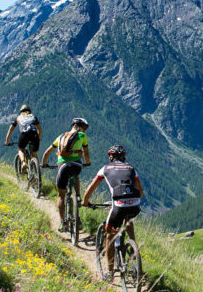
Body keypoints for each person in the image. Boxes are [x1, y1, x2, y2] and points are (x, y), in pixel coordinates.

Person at [82, 144, 143, 279]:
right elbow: (140, 191)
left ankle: (110, 272)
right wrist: (132, 201)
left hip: (118, 205)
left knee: (110, 235)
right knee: (128, 220)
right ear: (124, 157)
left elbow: (91, 188)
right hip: (135, 204)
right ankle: (134, 251)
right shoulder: (132, 168)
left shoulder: (105, 169)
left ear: (111, 157)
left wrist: (85, 202)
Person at [41, 117, 91, 232]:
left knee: (61, 195)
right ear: (79, 127)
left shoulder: (61, 137)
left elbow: (47, 152)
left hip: (62, 167)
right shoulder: (82, 136)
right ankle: (78, 196)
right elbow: (86, 152)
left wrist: (44, 164)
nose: (84, 131)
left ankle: (63, 222)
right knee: (75, 175)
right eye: (84, 128)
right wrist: (87, 162)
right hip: (76, 165)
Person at [4, 104, 42, 173]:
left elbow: (10, 130)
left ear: (21, 111)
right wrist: (38, 138)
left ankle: (23, 162)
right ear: (29, 111)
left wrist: (7, 142)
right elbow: (39, 128)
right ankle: (37, 175)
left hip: (24, 134)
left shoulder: (18, 118)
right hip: (34, 134)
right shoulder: (33, 117)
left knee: (21, 149)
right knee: (34, 154)